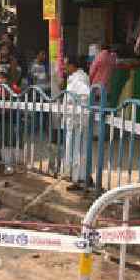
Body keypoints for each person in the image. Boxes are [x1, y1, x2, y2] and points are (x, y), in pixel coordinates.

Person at [63, 56, 92, 192]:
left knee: (77, 150)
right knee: (76, 150)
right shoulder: (76, 77)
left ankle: (80, 179)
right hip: (75, 120)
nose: (65, 68)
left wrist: (75, 105)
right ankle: (78, 178)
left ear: (73, 66)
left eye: (66, 65)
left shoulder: (79, 79)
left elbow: (86, 94)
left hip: (78, 120)